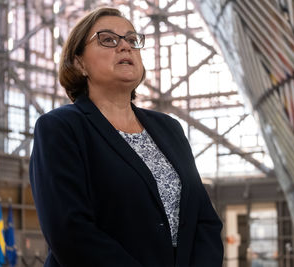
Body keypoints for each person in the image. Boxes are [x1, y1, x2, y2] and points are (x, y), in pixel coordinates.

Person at [29, 6, 223, 267]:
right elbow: (69, 231)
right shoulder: (60, 127)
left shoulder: (169, 128)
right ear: (79, 62)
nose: (125, 47)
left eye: (132, 40)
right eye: (108, 39)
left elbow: (204, 220)